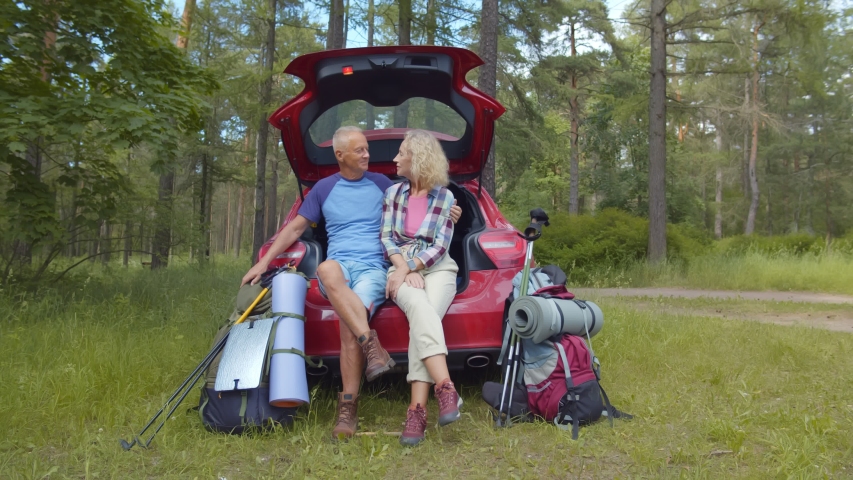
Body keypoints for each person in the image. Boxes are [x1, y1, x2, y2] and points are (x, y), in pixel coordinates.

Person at [241, 126, 460, 441]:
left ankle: (348, 405)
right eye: (359, 150)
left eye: (366, 149)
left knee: (348, 323)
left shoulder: (383, 185)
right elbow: (294, 229)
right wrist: (263, 262)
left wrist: (453, 213)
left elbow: (418, 200)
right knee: (326, 269)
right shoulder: (323, 189)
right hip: (341, 267)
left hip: (374, 269)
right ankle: (371, 344)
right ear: (340, 154)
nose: (367, 155)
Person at [380, 129, 461, 446]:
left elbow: (440, 246)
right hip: (400, 267)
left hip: (438, 268)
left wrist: (414, 267)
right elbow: (387, 238)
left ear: (418, 159)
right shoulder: (393, 194)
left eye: (402, 153)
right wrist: (403, 268)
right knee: (420, 308)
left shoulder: (445, 197)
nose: (395, 158)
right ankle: (446, 387)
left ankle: (417, 412)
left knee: (421, 322)